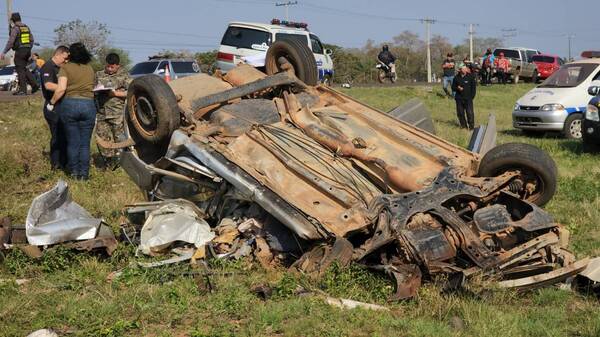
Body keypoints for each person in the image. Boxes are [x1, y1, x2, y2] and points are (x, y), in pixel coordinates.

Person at [48, 42, 96, 181]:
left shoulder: (65, 68)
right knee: (85, 143)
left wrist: (51, 102)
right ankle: (84, 174)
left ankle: (74, 173)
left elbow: (61, 88)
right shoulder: (90, 69)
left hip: (70, 104)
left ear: (71, 54)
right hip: (88, 104)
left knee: (73, 142)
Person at [94, 52, 131, 167]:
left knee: (119, 139)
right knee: (102, 138)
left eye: (112, 67)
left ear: (118, 66)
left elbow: (132, 92)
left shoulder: (125, 76)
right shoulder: (99, 74)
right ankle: (107, 161)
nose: (109, 69)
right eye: (108, 66)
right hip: (102, 113)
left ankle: (123, 163)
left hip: (117, 114)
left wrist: (115, 93)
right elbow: (93, 88)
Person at [40, 45, 70, 171]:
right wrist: (65, 88)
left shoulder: (61, 68)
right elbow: (48, 85)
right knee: (57, 136)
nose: (66, 61)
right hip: (52, 105)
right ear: (59, 54)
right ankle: (56, 165)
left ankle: (64, 163)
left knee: (64, 135)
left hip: (62, 105)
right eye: (65, 58)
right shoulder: (48, 66)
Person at [0, 12, 39, 95]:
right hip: (27, 50)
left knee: (20, 69)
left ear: (13, 20)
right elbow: (32, 39)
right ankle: (34, 85)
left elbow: (11, 42)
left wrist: (4, 52)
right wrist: (28, 48)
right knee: (24, 68)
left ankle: (23, 90)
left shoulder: (16, 28)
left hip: (20, 51)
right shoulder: (26, 27)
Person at [451, 65, 477, 130]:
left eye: (466, 69)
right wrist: (458, 88)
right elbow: (453, 88)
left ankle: (471, 127)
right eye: (464, 69)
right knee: (460, 113)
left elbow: (474, 88)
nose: (465, 70)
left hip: (468, 98)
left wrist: (472, 96)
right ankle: (464, 126)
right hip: (459, 98)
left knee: (470, 113)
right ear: (460, 70)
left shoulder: (470, 77)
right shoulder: (456, 78)